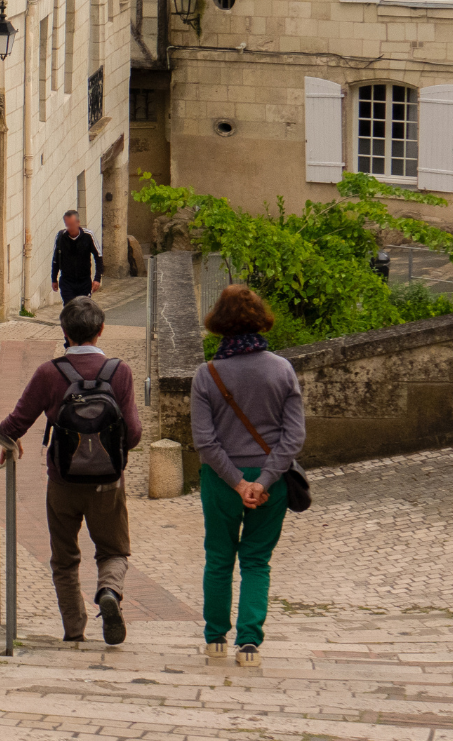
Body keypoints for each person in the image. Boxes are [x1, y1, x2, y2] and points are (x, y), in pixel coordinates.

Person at [0, 296, 141, 644]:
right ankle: (109, 591)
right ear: (101, 330)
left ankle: (75, 629)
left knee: (64, 559)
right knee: (114, 550)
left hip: (62, 481)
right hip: (107, 484)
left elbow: (16, 421)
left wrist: (8, 440)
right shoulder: (119, 372)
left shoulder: (50, 373)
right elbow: (134, 435)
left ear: (64, 332)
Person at [191, 284, 305, 668]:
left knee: (219, 557)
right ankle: (250, 643)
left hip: (222, 480)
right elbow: (294, 436)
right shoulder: (282, 370)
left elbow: (204, 442)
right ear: (260, 320)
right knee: (256, 559)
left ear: (219, 324)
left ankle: (215, 639)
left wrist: (238, 483)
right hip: (272, 481)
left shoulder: (206, 376)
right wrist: (265, 479)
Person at [51, 210, 103, 305]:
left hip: (84, 281)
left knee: (83, 309)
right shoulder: (61, 237)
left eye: (71, 224)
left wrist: (97, 278)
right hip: (67, 281)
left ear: (78, 223)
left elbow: (98, 257)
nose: (69, 228)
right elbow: (55, 260)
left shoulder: (88, 236)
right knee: (70, 308)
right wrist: (54, 279)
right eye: (67, 225)